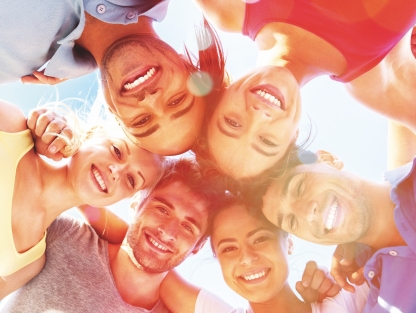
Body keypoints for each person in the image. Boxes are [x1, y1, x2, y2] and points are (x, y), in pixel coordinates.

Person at [191, 0, 416, 179]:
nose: (259, 115)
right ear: (293, 136)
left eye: (232, 122)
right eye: (267, 141)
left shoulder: (227, 8)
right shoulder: (376, 82)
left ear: (221, 93)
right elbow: (401, 202)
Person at [1, 0, 227, 156]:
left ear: (115, 115)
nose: (149, 100)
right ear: (191, 69)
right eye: (176, 100)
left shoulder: (12, 63)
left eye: (141, 121)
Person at [0, 158, 221, 312]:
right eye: (162, 209)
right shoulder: (62, 235)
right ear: (135, 205)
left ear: (196, 248)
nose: (168, 231)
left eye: (188, 227)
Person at [0, 99, 163, 298]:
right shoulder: (9, 127)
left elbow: (134, 245)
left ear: (125, 199)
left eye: (130, 180)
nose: (116, 170)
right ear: (94, 134)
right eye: (117, 151)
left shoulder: (27, 264)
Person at [260, 145, 416, 312]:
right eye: (291, 221)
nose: (307, 214)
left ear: (328, 159)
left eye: (299, 188)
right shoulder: (376, 297)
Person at [159, 194, 369, 313]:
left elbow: (397, 199)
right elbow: (146, 260)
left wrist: (364, 246)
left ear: (289, 242)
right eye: (229, 248)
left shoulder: (345, 296)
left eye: (260, 239)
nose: (247, 258)